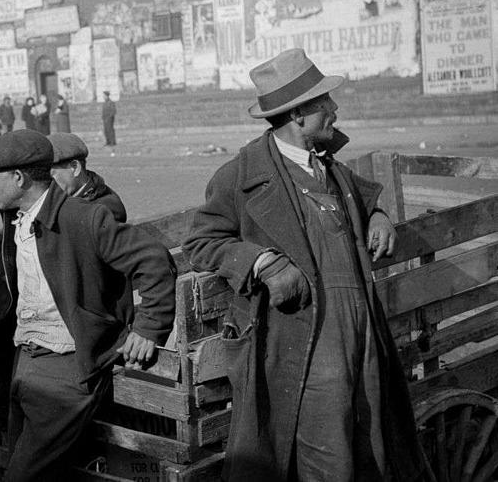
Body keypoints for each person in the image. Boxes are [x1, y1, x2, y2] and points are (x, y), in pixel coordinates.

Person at [182, 48, 430, 482]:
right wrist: (261, 261)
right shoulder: (240, 175)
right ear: (298, 115)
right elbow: (201, 241)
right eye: (324, 104)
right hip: (305, 346)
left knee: (373, 448)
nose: (334, 110)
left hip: (363, 339)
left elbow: (364, 193)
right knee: (326, 460)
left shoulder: (328, 166)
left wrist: (378, 214)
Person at [0, 130, 176, 480]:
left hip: (67, 369)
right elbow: (0, 246)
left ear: (19, 178)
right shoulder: (20, 219)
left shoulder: (85, 217)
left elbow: (154, 260)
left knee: (23, 475)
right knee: (21, 462)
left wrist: (149, 327)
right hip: (25, 361)